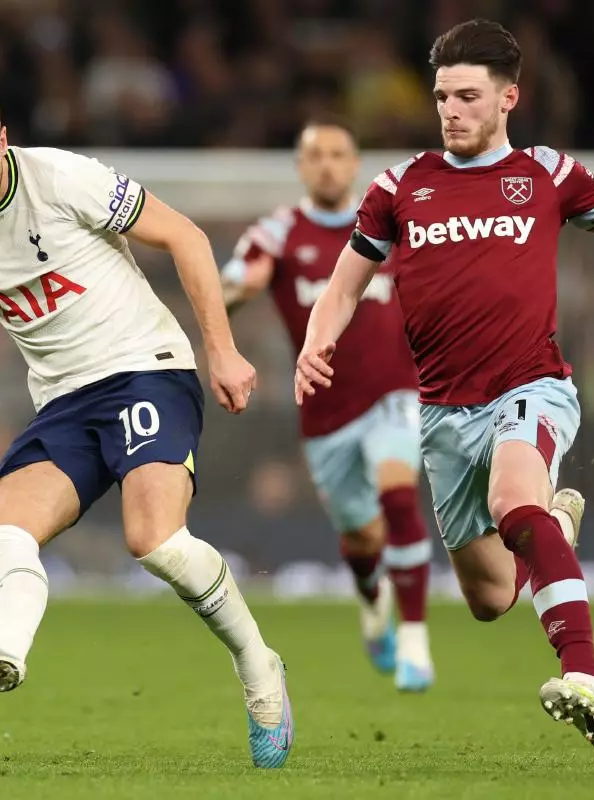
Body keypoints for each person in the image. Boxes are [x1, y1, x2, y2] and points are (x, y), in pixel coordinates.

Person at [295, 19, 594, 747]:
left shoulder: (546, 175)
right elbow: (343, 286)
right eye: (441, 97)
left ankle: (583, 676)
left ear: (508, 98)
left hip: (531, 387)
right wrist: (314, 343)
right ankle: (556, 522)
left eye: (466, 95)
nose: (450, 110)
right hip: (443, 414)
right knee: (489, 597)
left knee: (513, 501)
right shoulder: (401, 187)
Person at [0, 80, 292, 768]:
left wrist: (220, 349)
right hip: (63, 401)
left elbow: (185, 236)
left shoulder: (66, 178)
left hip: (146, 367)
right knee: (1, 532)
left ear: (3, 139)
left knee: (154, 541)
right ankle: (3, 653)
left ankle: (260, 668)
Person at [222, 120, 435, 692]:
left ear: (355, 162)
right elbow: (243, 276)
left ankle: (416, 638)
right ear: (300, 166)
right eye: (314, 155)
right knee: (363, 539)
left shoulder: (391, 223)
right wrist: (231, 295)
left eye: (338, 154)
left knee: (398, 493)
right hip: (323, 412)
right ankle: (373, 601)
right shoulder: (281, 231)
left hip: (396, 393)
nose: (326, 165)